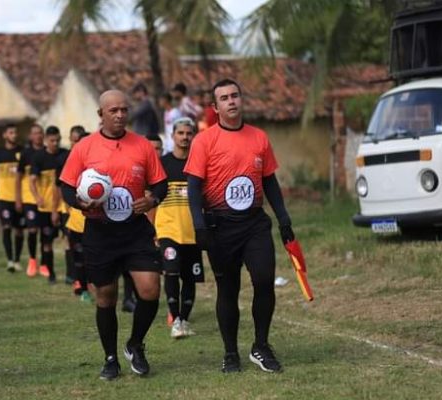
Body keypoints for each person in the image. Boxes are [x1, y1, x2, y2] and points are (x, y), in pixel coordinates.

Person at [184, 78, 294, 373]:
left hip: (254, 224)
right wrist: (200, 227)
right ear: (215, 107)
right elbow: (193, 188)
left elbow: (269, 180)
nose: (231, 101)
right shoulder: (204, 141)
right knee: (228, 288)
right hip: (220, 226)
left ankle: (261, 345)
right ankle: (230, 353)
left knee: (263, 279)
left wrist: (283, 218)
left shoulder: (259, 137)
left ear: (241, 100)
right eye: (224, 98)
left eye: (235, 95)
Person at [59, 90, 168, 380]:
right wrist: (80, 203)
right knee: (105, 298)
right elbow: (67, 187)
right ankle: (110, 358)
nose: (120, 115)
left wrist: (153, 200)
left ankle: (135, 344)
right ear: (101, 115)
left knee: (150, 290)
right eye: (113, 111)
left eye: (124, 109)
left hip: (135, 231)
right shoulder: (84, 148)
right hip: (100, 233)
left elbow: (161, 184)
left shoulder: (143, 146)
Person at [155, 118, 204, 339]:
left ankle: (184, 320)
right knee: (171, 272)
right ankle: (174, 319)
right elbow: (150, 199)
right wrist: (152, 230)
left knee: (190, 278)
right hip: (168, 230)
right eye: (181, 133)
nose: (185, 137)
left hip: (193, 232)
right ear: (173, 136)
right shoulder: (162, 164)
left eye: (189, 133)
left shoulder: (199, 164)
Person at [29, 125, 69, 283]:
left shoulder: (65, 155)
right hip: (45, 207)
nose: (55, 143)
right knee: (47, 243)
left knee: (68, 241)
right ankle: (50, 272)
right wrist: (37, 196)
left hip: (63, 207)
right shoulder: (38, 157)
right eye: (52, 140)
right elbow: (32, 181)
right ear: (46, 140)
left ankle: (71, 275)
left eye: (58, 140)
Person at [0, 124, 25, 272]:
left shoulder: (23, 152)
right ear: (4, 135)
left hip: (20, 196)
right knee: (7, 227)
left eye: (15, 132)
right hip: (3, 196)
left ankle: (17, 260)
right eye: (10, 133)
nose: (14, 135)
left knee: (19, 231)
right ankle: (10, 260)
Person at [61, 126, 92, 301]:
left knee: (94, 257)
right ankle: (82, 286)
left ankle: (92, 284)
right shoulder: (72, 165)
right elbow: (64, 188)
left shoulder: (101, 167)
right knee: (78, 257)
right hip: (77, 220)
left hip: (96, 220)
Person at [16, 124, 45, 277]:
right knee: (32, 230)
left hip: (46, 199)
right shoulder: (25, 154)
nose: (38, 136)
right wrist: (18, 198)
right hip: (29, 198)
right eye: (35, 133)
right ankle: (33, 260)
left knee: (45, 232)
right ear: (30, 136)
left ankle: (45, 263)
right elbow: (19, 177)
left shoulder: (48, 152)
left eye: (40, 133)